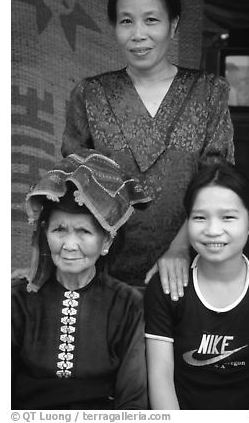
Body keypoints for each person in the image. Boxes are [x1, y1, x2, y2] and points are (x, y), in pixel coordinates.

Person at [61, 0, 234, 299]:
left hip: (191, 272)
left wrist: (180, 249)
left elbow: (218, 184)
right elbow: (75, 187)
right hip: (105, 279)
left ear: (173, 25)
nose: (138, 34)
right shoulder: (91, 94)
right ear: (114, 26)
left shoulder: (208, 92)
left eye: (151, 20)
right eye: (126, 21)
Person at [144, 159, 249, 410]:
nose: (213, 230)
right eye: (200, 217)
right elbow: (160, 379)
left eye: (228, 217)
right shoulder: (166, 287)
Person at [12, 151, 149, 410]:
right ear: (45, 233)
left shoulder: (128, 305)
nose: (69, 245)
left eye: (84, 232)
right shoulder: (18, 300)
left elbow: (133, 400)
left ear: (107, 241)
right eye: (59, 230)